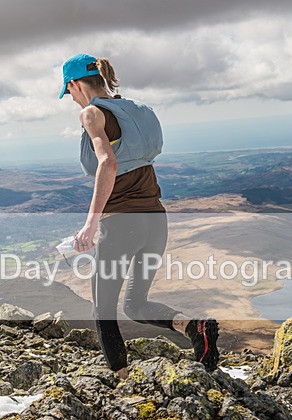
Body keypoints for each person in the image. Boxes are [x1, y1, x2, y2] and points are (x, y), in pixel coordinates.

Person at [58, 52, 220, 379]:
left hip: (121, 224)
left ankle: (124, 384)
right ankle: (196, 328)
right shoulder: (138, 110)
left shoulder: (92, 113)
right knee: (135, 304)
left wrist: (90, 225)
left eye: (69, 93)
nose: (72, 100)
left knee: (102, 310)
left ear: (75, 84)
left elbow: (108, 163)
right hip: (155, 220)